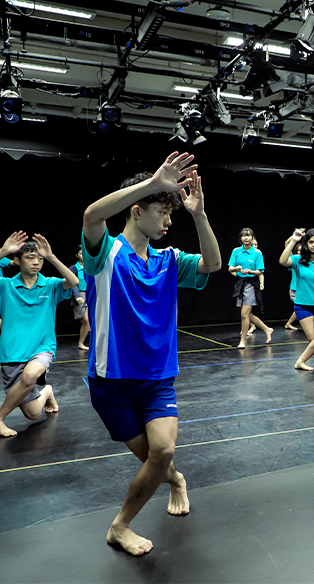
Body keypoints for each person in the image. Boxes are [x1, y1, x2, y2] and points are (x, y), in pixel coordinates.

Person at [82, 152, 222, 556]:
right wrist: (152, 183)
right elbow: (92, 215)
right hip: (110, 383)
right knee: (156, 461)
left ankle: (119, 526)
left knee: (162, 451)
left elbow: (212, 263)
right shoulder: (104, 255)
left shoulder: (168, 260)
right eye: (163, 211)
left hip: (158, 378)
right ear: (137, 210)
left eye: (171, 214)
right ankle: (175, 480)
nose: (168, 221)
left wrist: (198, 214)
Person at [0, 232, 77, 438]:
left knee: (31, 375)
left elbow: (73, 280)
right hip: (12, 353)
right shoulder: (5, 286)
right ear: (16, 260)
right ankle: (47, 392)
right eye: (30, 257)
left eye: (40, 258)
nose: (36, 262)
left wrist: (51, 256)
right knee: (33, 414)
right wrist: (3, 252)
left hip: (42, 348)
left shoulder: (50, 285)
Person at [279, 228, 314, 371]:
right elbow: (283, 260)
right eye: (311, 242)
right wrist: (293, 240)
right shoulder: (298, 260)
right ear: (306, 244)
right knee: (312, 338)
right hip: (302, 306)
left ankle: (301, 361)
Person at [229, 228, 272, 348]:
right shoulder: (236, 251)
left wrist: (251, 271)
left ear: (252, 237)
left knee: (244, 315)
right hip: (240, 283)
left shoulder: (257, 253)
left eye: (248, 235)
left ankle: (242, 341)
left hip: (251, 284)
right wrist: (236, 269)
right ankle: (267, 329)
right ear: (240, 238)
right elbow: (229, 268)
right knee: (247, 315)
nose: (246, 238)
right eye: (243, 236)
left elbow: (260, 271)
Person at [69, 244, 91, 350]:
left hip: (91, 294)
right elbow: (73, 284)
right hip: (80, 295)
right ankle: (81, 342)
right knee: (85, 321)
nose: (83, 255)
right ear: (77, 255)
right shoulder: (74, 268)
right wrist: (77, 295)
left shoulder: (91, 267)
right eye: (81, 253)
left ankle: (81, 343)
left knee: (87, 320)